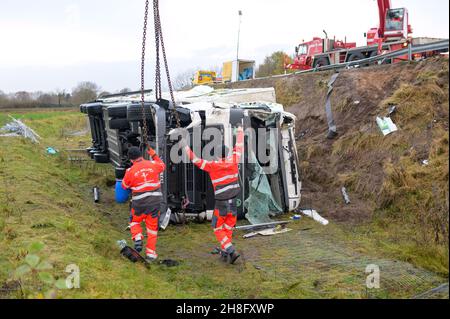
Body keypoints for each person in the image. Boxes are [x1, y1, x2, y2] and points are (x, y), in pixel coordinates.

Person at [183, 125, 244, 264]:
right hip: (234, 201)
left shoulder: (212, 166)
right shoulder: (234, 160)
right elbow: (239, 146)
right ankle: (225, 252)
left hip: (221, 203)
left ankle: (230, 250)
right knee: (228, 228)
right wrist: (240, 131)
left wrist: (185, 146)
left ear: (216, 155)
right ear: (227, 153)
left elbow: (196, 161)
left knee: (217, 227)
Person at [122, 146, 166, 263]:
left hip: (139, 204)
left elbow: (124, 186)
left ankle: (137, 238)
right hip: (155, 202)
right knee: (152, 228)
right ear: (141, 155)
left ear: (131, 159)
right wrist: (153, 154)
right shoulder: (153, 164)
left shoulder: (130, 171)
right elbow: (162, 165)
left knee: (135, 221)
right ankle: (151, 254)